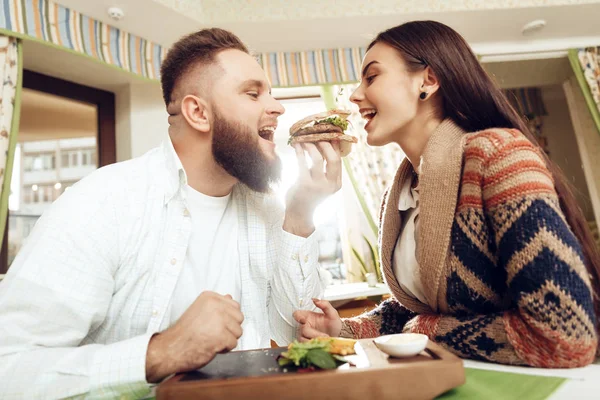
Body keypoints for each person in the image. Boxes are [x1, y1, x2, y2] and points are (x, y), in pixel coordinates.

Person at [0, 28, 342, 399]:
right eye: (253, 92)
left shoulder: (266, 209)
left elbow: (295, 331)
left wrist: (300, 214)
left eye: (271, 94)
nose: (276, 107)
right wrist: (162, 352)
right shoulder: (102, 204)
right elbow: (10, 368)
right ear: (198, 112)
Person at [294, 20, 600, 368]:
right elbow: (420, 305)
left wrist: (428, 331)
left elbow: (565, 336)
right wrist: (345, 329)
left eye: (372, 77)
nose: (354, 94)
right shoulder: (400, 195)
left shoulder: (499, 157)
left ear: (428, 80)